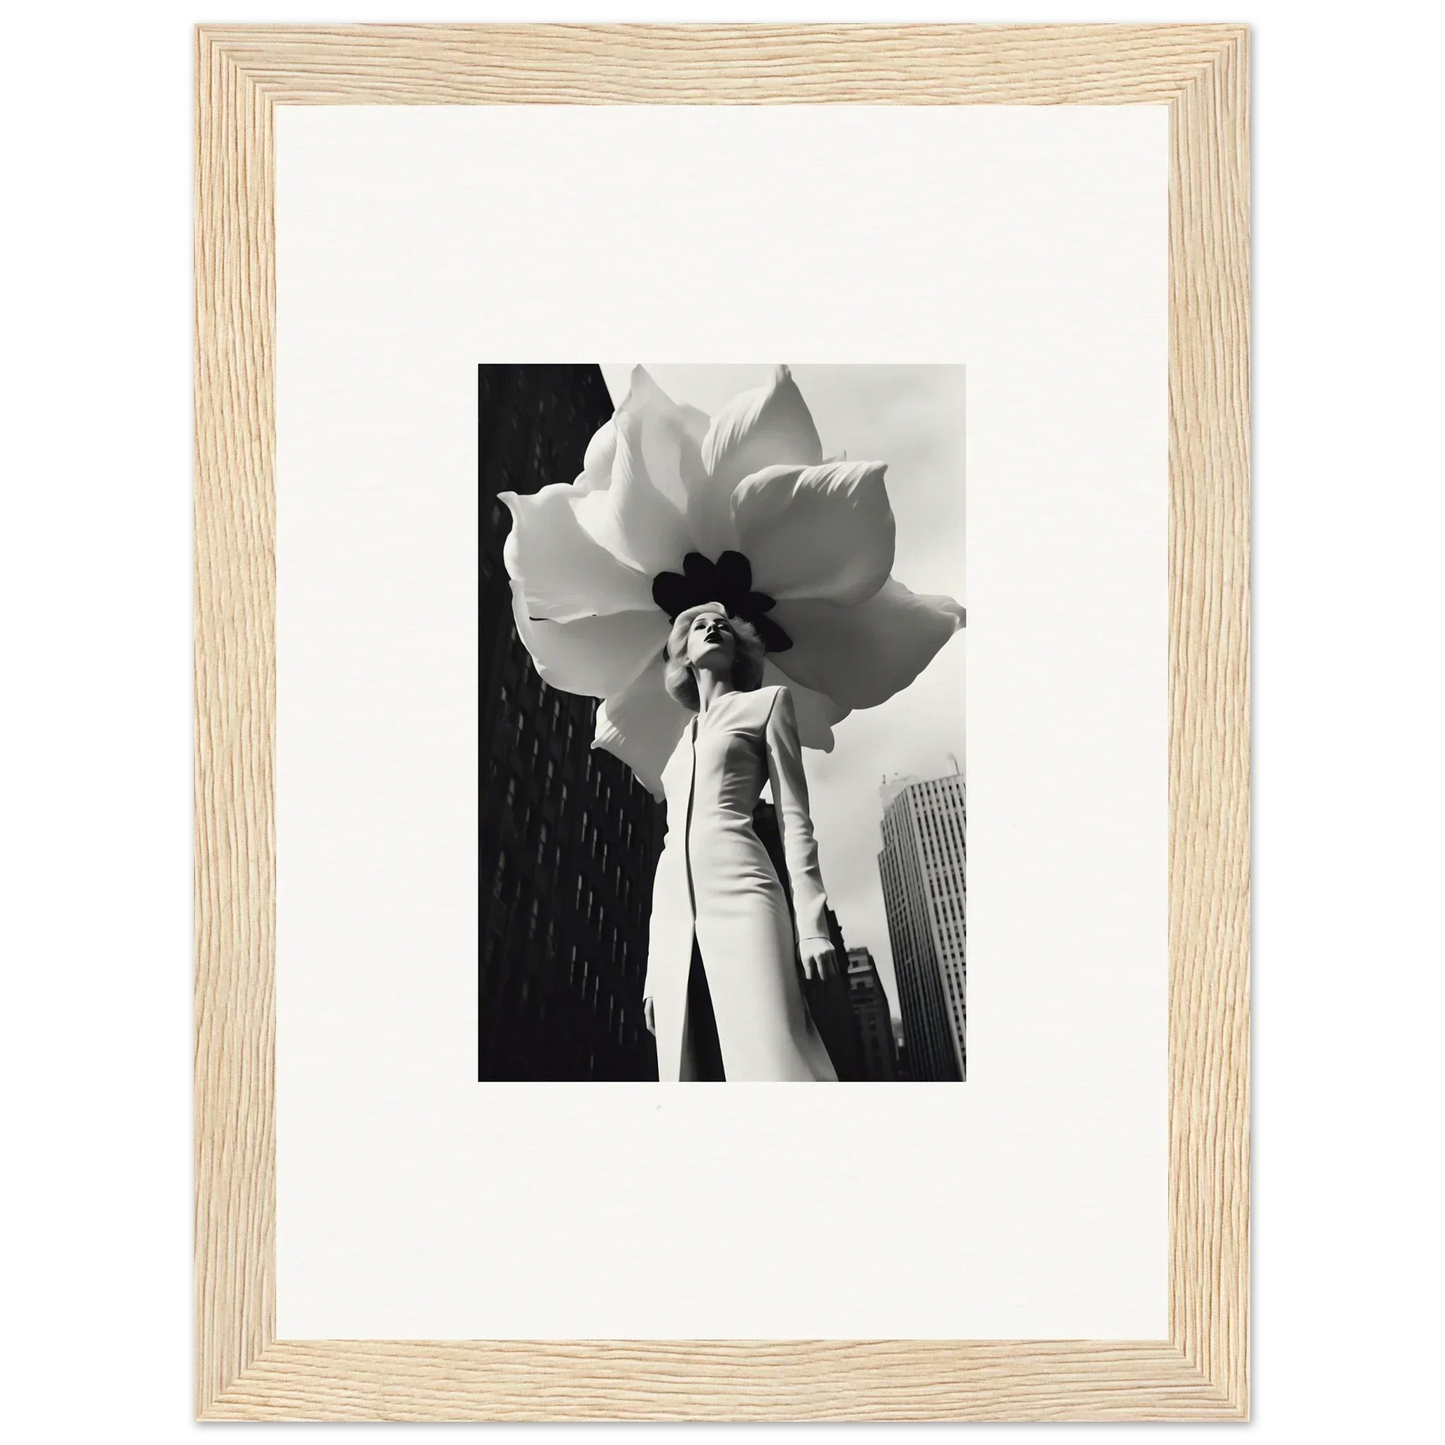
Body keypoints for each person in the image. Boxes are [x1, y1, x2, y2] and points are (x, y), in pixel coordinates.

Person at [642, 601, 840, 1082]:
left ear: (738, 651)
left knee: (775, 1048)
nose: (712, 628)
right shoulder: (679, 744)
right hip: (676, 913)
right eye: (699, 627)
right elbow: (671, 848)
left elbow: (795, 817)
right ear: (684, 655)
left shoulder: (767, 703)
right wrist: (653, 967)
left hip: (745, 889)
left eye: (723, 627)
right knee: (689, 1065)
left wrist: (812, 924)